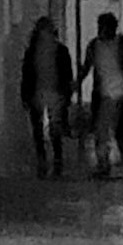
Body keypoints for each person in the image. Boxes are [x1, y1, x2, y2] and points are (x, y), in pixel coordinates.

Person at [77, 10, 123, 179]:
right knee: (101, 131)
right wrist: (76, 83)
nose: (103, 30)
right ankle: (103, 165)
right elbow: (86, 67)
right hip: (102, 95)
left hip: (122, 93)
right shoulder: (94, 46)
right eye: (101, 27)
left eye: (106, 27)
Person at [19, 16, 74, 177]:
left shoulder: (60, 51)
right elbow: (26, 75)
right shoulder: (32, 52)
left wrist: (66, 94)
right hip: (37, 93)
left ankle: (56, 161)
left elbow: (67, 75)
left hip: (54, 93)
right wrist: (25, 94)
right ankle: (43, 160)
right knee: (38, 130)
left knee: (55, 130)